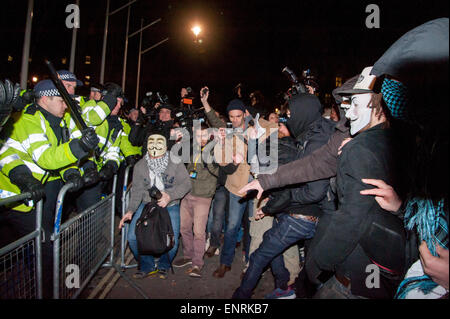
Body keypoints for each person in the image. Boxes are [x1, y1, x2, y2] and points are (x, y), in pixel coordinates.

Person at [307, 67, 406, 299]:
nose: (349, 114)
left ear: (379, 107)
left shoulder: (360, 148)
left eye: (356, 106)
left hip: (356, 273)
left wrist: (318, 263)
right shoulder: (395, 142)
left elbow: (351, 218)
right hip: (384, 270)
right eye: (348, 106)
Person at [0, 79, 99, 298]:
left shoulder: (56, 123)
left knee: (42, 249)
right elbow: (45, 158)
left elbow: (58, 159)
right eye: (62, 100)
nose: (66, 106)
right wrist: (80, 146)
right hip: (10, 197)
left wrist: (73, 173)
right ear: (45, 99)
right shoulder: (29, 121)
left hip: (25, 199)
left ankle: (45, 290)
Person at [232, 91, 336, 299]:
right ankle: (284, 287)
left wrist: (271, 205)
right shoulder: (308, 140)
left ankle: (240, 297)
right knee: (272, 249)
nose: (283, 123)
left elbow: (306, 191)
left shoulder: (303, 146)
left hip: (300, 217)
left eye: (284, 121)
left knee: (260, 256)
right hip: (295, 214)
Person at [200, 87, 277, 278]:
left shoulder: (257, 128)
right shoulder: (228, 132)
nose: (234, 119)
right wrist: (205, 103)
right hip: (236, 188)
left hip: (257, 188)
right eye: (231, 116)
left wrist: (252, 122)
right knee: (232, 226)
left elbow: (273, 129)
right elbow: (215, 121)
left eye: (238, 116)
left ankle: (249, 264)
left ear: (244, 113)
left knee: (253, 227)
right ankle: (225, 263)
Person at [119, 128, 191, 279]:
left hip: (170, 205)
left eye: (159, 142)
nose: (155, 146)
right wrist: (130, 211)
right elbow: (137, 190)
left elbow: (186, 184)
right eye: (151, 142)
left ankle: (164, 264)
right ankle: (147, 264)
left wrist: (169, 196)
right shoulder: (140, 166)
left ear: (165, 145)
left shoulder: (175, 161)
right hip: (146, 205)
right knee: (133, 237)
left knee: (171, 240)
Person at [173, 122, 219, 278]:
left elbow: (219, 172)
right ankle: (188, 255)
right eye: (199, 135)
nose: (202, 138)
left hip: (203, 196)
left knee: (199, 231)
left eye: (204, 135)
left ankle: (197, 263)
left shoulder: (216, 150)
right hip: (187, 193)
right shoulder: (192, 148)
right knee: (184, 228)